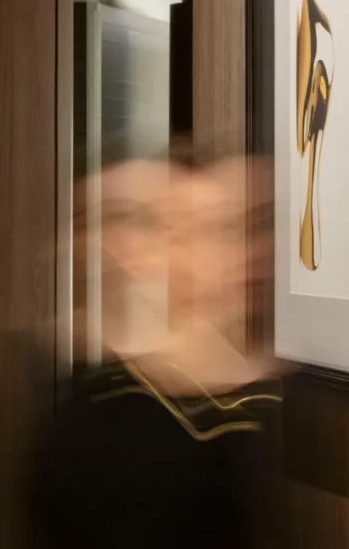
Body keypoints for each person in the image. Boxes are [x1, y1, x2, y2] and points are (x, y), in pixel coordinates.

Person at [26, 149, 288, 547]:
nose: (244, 253)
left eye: (237, 228)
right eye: (212, 231)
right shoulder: (109, 411)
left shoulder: (241, 392)